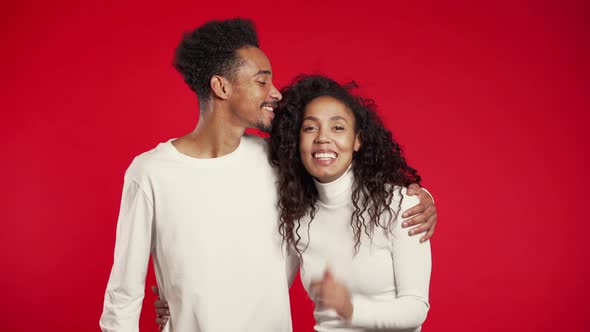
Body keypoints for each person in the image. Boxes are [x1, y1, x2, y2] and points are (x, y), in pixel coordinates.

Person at [101, 18, 436, 332]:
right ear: (221, 87)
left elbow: (342, 184)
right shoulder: (151, 173)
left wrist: (418, 197)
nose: (275, 92)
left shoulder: (275, 161)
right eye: (262, 81)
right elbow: (123, 295)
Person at [271, 75, 432, 331]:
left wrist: (349, 309)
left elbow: (416, 308)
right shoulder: (296, 216)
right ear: (296, 141)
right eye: (310, 128)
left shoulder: (400, 205)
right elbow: (270, 286)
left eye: (337, 128)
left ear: (357, 141)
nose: (323, 138)